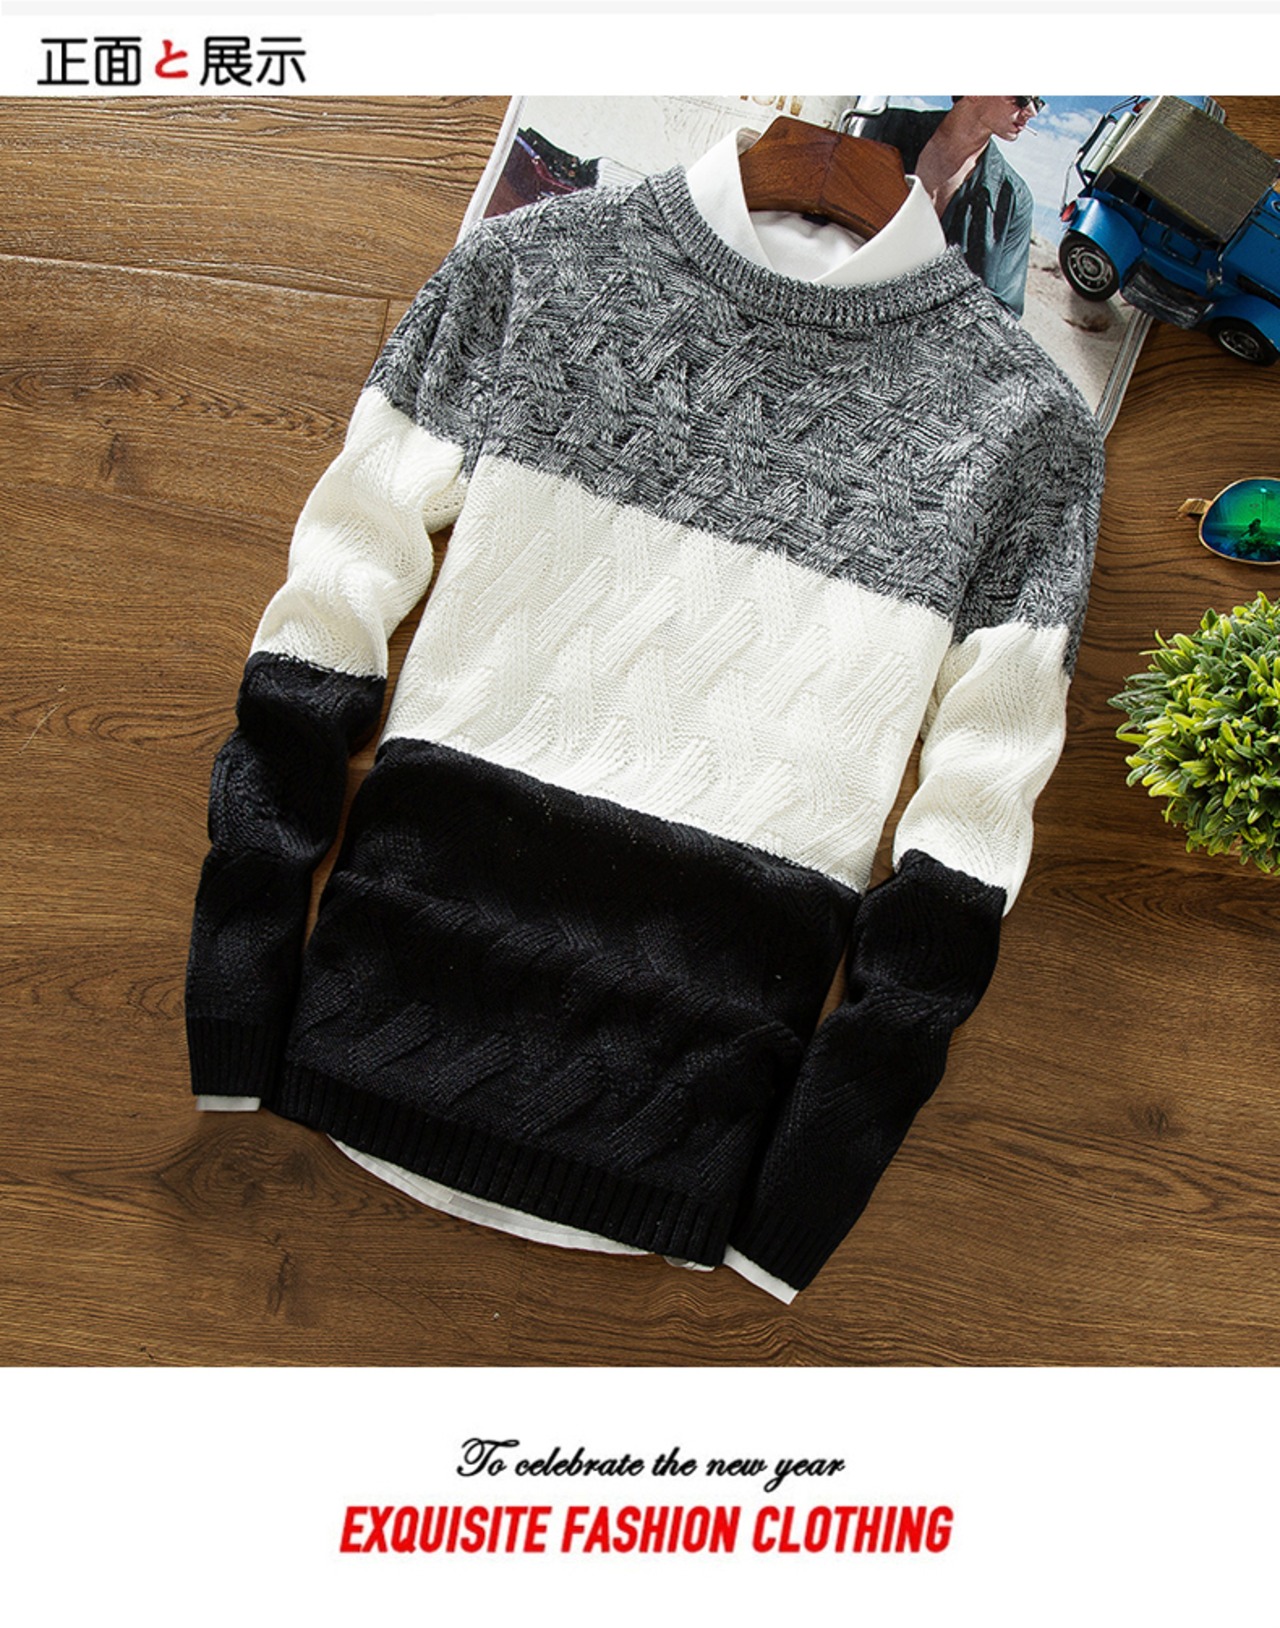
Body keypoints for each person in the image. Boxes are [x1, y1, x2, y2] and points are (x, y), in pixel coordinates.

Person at [866, 97, 1041, 317]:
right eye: (1022, 99)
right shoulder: (885, 127)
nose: (1032, 111)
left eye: (1038, 102)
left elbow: (1003, 312)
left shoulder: (1013, 198)